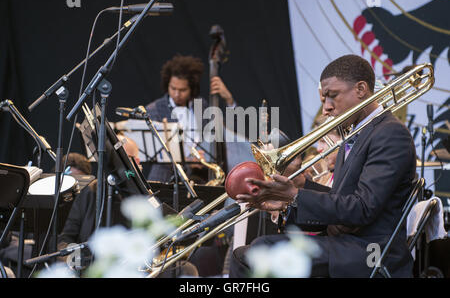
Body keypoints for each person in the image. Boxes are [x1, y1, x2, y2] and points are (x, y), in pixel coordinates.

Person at [230, 54, 416, 278]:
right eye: (324, 98)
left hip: (371, 253)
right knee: (249, 251)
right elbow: (343, 199)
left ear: (361, 89)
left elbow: (362, 209)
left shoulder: (390, 133)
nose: (326, 108)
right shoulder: (357, 133)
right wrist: (290, 198)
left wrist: (296, 196)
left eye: (332, 96)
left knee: (260, 251)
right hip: (347, 244)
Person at [145, 54, 236, 183]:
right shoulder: (154, 110)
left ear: (192, 89)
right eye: (173, 88)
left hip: (202, 180)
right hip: (165, 181)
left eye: (183, 90)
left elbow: (227, 134)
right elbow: (153, 154)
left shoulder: (202, 105)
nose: (177, 94)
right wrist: (188, 161)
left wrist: (229, 99)